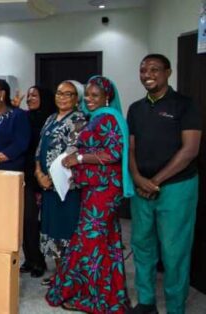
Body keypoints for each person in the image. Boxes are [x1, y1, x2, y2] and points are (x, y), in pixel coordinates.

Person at [46, 76, 135, 313]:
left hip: (104, 190)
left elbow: (113, 153)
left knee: (92, 242)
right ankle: (108, 293)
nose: (89, 99)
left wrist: (80, 159)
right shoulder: (97, 117)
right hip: (96, 187)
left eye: (95, 95)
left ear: (108, 96)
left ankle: (98, 298)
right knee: (105, 242)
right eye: (87, 95)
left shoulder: (107, 117)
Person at [127, 54, 202, 314]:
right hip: (141, 189)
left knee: (174, 252)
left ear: (168, 72)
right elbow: (132, 148)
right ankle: (146, 303)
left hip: (176, 188)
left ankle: (175, 307)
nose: (148, 74)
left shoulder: (185, 105)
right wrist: (137, 178)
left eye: (155, 69)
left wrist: (155, 181)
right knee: (142, 246)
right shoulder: (136, 108)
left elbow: (190, 150)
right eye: (143, 69)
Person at [34, 81, 86, 284]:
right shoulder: (50, 118)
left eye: (68, 94)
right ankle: (59, 274)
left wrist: (53, 180)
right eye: (59, 93)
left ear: (77, 99)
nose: (62, 97)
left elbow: (73, 153)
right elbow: (40, 149)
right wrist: (39, 173)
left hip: (66, 187)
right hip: (47, 185)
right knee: (52, 230)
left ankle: (70, 279)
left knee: (66, 231)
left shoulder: (79, 120)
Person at [18, 85, 55, 279]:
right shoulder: (23, 117)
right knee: (27, 220)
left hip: (46, 177)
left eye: (35, 95)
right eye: (29, 95)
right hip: (26, 175)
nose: (30, 98)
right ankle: (32, 259)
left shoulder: (51, 120)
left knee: (45, 222)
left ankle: (43, 261)